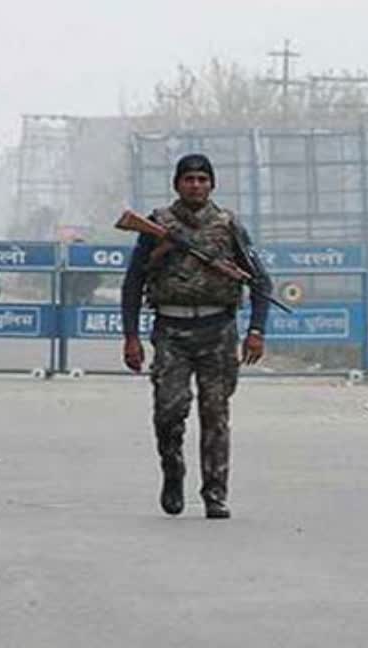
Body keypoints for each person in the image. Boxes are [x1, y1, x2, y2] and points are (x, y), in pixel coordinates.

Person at [120, 154, 272, 520]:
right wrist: (131, 337)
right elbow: (134, 282)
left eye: (203, 179)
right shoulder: (157, 224)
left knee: (215, 415)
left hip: (217, 331)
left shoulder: (228, 225)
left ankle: (215, 494)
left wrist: (256, 331)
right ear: (177, 184)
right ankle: (173, 472)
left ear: (212, 185)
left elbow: (261, 280)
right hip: (171, 332)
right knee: (169, 412)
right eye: (189, 179)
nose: (196, 185)